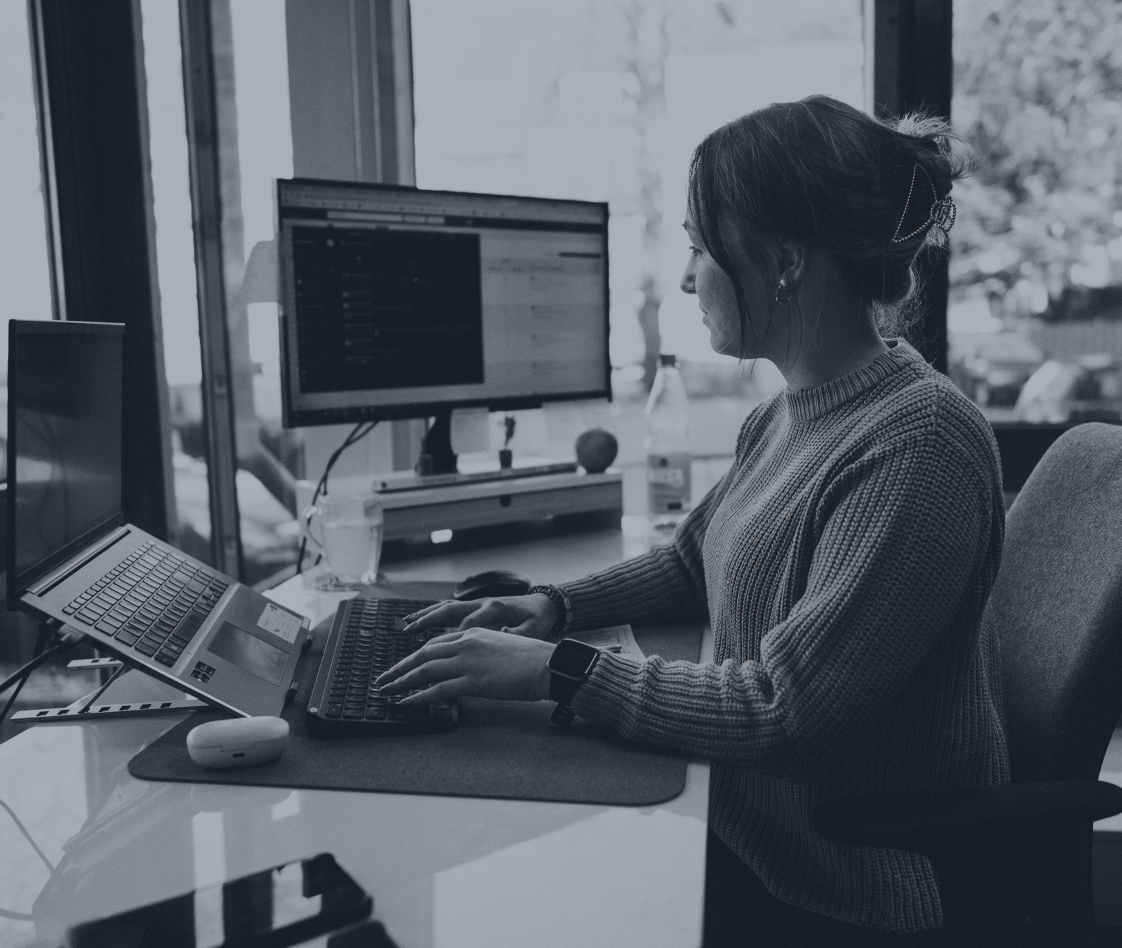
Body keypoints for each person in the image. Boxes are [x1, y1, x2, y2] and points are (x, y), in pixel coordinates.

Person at [375, 95, 1008, 946]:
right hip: (742, 824)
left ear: (784, 260)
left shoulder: (917, 446)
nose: (684, 279)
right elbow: (690, 563)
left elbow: (789, 712)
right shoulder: (790, 412)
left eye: (698, 248)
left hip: (843, 881)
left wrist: (556, 672)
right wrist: (550, 610)